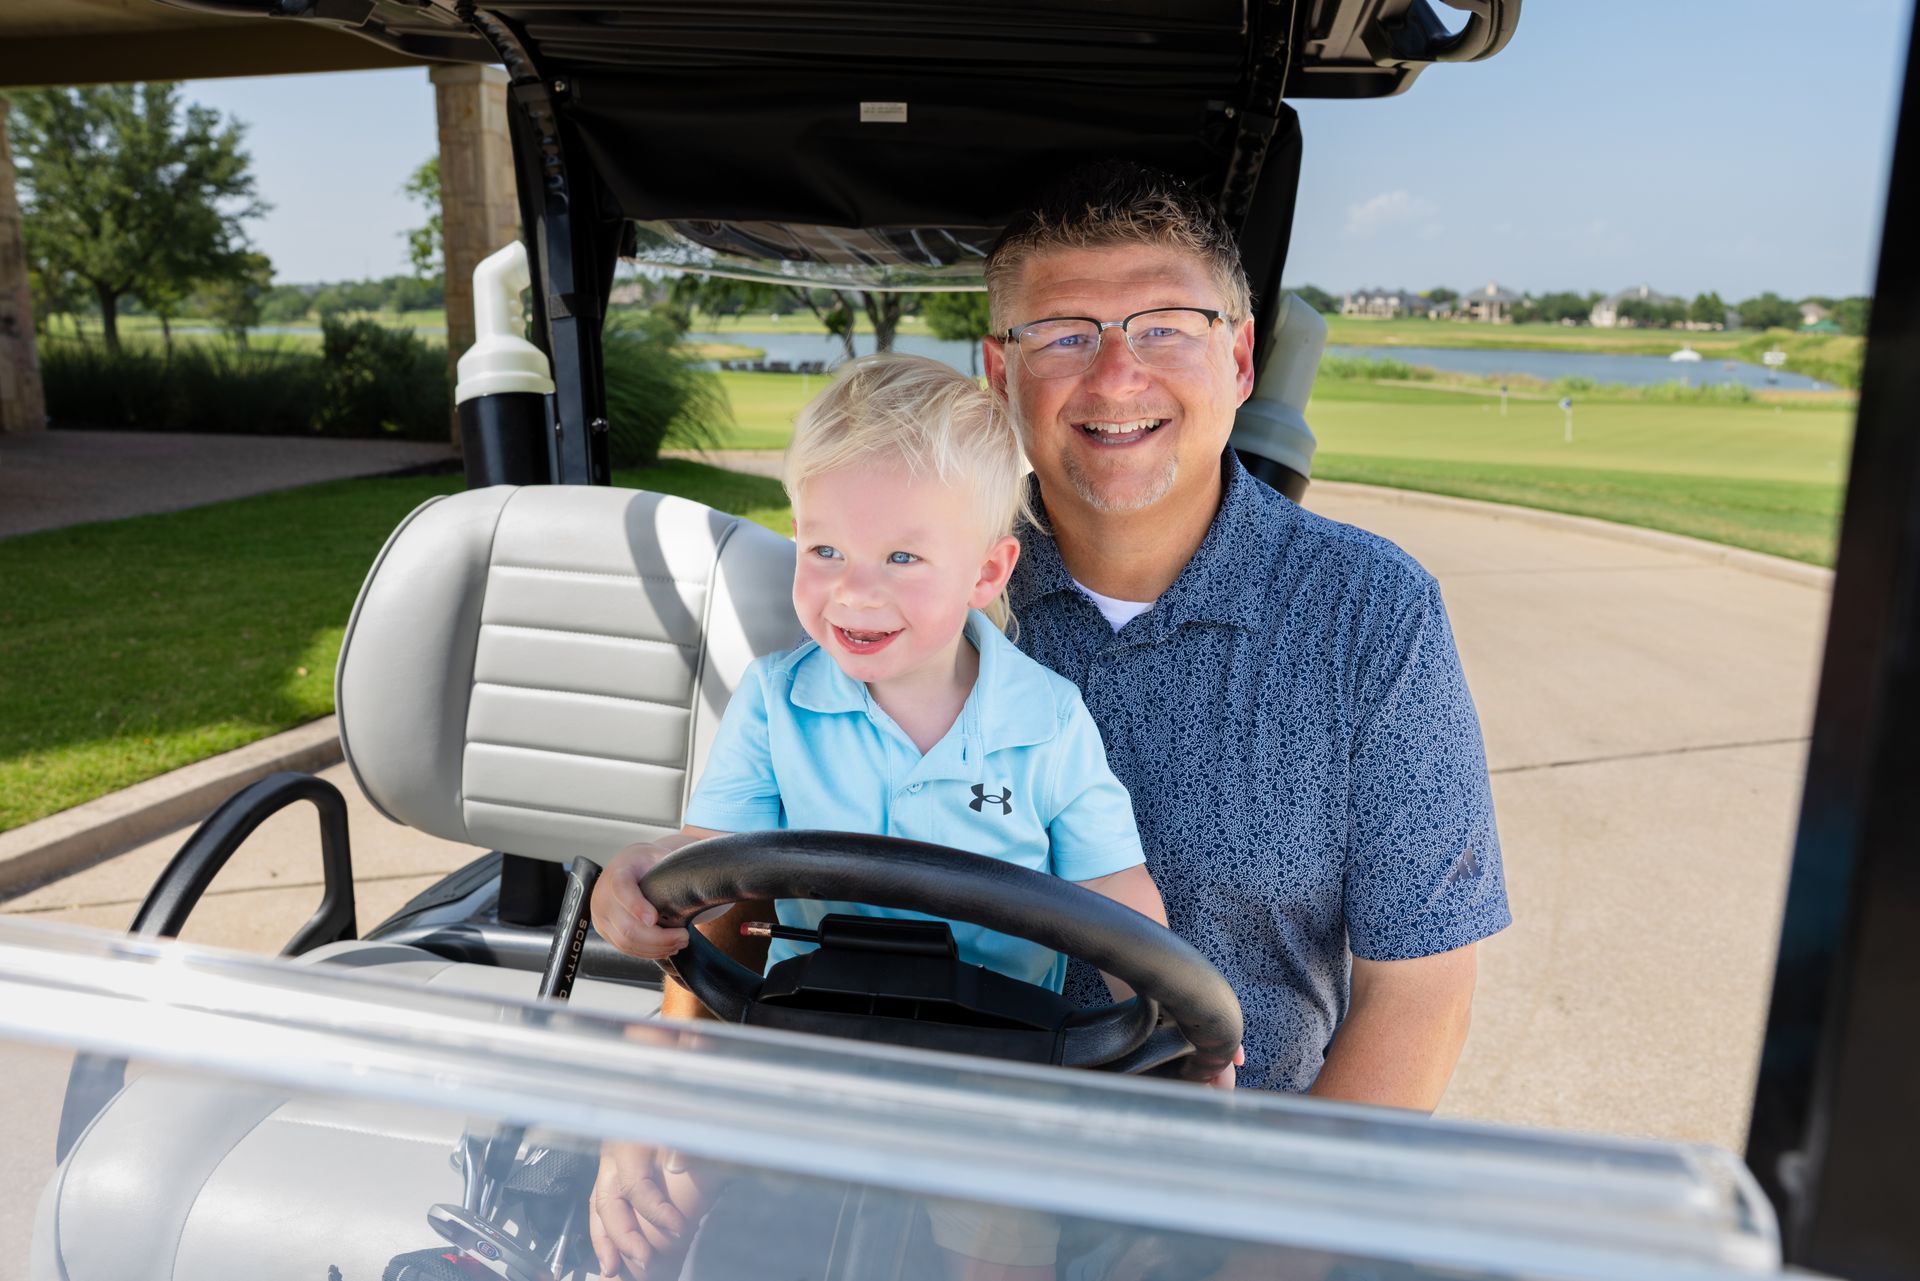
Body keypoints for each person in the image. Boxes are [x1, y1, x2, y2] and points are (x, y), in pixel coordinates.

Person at [588, 352, 1170, 1280]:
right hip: (802, 1030)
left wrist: (1183, 1028)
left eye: (903, 557)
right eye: (826, 552)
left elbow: (1119, 898)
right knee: (659, 1184)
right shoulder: (776, 705)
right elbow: (707, 874)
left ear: (986, 570)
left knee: (1006, 1247)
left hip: (989, 1063)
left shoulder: (1048, 719)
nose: (856, 592)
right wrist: (635, 889)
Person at [980, 161, 1511, 1104]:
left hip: (1238, 1183)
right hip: (934, 1166)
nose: (1115, 375)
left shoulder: (1373, 613)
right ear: (999, 372)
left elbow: (1421, 994)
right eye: (1062, 335)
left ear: (1239, 360)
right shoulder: (912, 598)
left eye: (1166, 330)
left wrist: (1275, 1248)